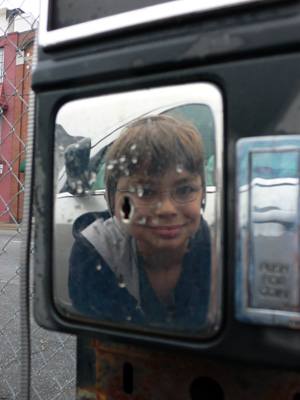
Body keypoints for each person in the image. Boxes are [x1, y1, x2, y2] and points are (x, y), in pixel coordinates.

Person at [68, 115, 211, 332]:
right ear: (111, 199)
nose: (167, 209)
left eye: (184, 190)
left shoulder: (212, 245)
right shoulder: (94, 253)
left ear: (202, 195)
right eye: (144, 192)